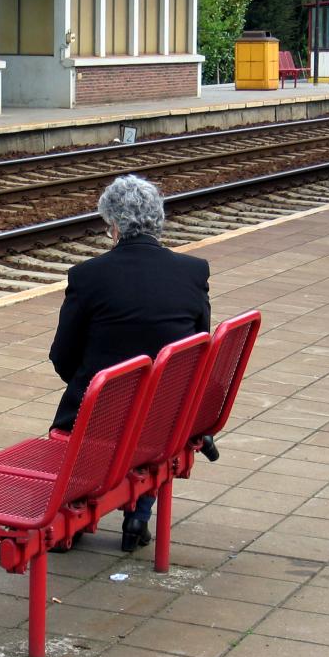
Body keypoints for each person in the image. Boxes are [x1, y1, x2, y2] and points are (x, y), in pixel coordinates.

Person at [49, 174, 211, 552]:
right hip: (167, 419)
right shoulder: (193, 271)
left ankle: (72, 513)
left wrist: (94, 388)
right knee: (149, 423)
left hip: (97, 415)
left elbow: (62, 356)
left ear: (114, 226)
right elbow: (197, 346)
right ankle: (139, 513)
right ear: (158, 220)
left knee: (87, 420)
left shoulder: (88, 276)